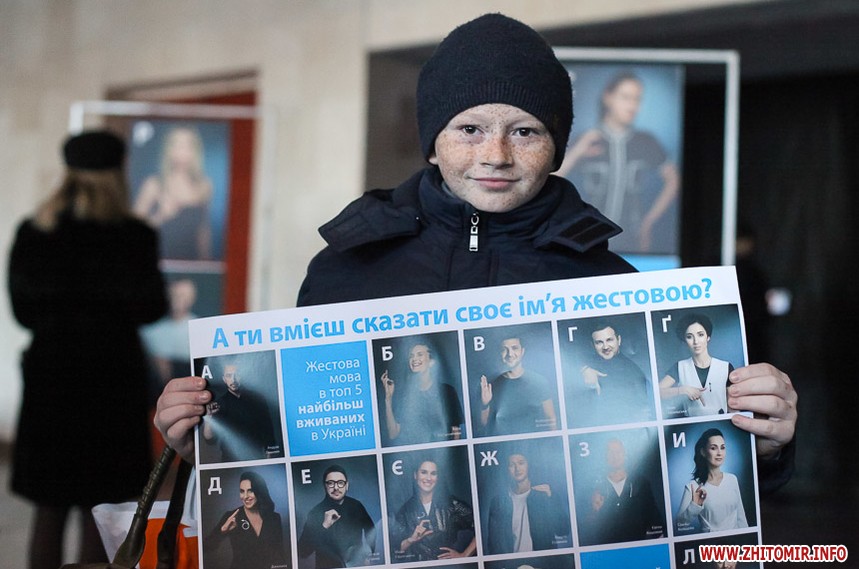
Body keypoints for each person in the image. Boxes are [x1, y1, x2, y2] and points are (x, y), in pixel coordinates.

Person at [155, 12, 797, 494]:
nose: (496, 155)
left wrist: (764, 446)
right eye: (469, 129)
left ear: (557, 145)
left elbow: (663, 460)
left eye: (525, 131)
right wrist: (212, 446)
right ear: (432, 140)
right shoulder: (345, 269)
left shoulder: (611, 287)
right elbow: (308, 444)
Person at [7, 129, 168, 569]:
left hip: (51, 380)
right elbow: (153, 307)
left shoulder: (35, 232)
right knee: (101, 511)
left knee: (49, 510)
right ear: (118, 174)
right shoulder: (134, 236)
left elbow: (23, 312)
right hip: (111, 383)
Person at [557, 70, 680, 253]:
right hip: (585, 241)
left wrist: (648, 222)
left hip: (632, 239)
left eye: (637, 99)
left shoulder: (646, 142)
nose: (632, 106)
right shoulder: (586, 140)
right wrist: (578, 152)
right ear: (608, 97)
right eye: (626, 97)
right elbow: (551, 180)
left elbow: (673, 180)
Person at [133, 125, 214, 260]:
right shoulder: (154, 184)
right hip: (158, 261)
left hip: (191, 263)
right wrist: (161, 216)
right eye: (177, 145)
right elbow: (132, 232)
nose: (183, 152)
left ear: (195, 151)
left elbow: (203, 230)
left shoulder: (204, 186)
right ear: (168, 150)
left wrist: (206, 262)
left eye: (188, 146)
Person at [580, 438, 664, 546]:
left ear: (625, 454)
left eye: (618, 451)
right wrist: (594, 511)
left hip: (637, 550)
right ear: (604, 456)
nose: (614, 456)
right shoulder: (593, 488)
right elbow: (584, 528)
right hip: (606, 551)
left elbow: (655, 522)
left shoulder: (641, 483)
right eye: (610, 452)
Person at [379, 341, 464, 445]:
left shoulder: (447, 391)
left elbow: (456, 433)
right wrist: (388, 399)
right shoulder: (404, 395)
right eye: (411, 356)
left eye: (420, 354)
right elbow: (393, 433)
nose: (414, 359)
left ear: (431, 362)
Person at [392, 460, 476, 562]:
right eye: (424, 472)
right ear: (415, 475)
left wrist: (464, 555)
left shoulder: (452, 505)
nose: (428, 478)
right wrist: (411, 540)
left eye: (433, 473)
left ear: (438, 478)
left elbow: (481, 527)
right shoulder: (406, 510)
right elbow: (396, 551)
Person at [486, 452, 569, 554]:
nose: (517, 469)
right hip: (512, 561)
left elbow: (563, 530)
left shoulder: (544, 494)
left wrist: (551, 499)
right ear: (507, 469)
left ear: (528, 465)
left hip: (543, 560)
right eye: (512, 465)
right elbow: (493, 543)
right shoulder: (498, 502)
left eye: (521, 463)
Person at [298, 465, 377, 568]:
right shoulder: (315, 513)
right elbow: (303, 552)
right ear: (325, 486)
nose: (336, 487)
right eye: (331, 483)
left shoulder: (356, 506)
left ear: (346, 485)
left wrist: (369, 555)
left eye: (340, 483)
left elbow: (371, 530)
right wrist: (324, 526)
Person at [202, 360, 281, 462]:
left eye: (237, 375)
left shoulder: (257, 399)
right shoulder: (218, 404)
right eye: (229, 376)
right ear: (224, 379)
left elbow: (268, 430)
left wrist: (270, 459)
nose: (233, 380)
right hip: (230, 460)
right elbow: (210, 440)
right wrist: (209, 417)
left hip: (256, 457)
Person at [577, 321, 653, 424]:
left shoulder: (633, 372)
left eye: (609, 340)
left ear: (619, 340)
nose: (605, 347)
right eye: (599, 342)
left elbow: (640, 411)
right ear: (592, 345)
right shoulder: (585, 362)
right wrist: (584, 370)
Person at [207, 471, 288, 569]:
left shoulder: (274, 518)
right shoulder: (231, 516)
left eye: (250, 491)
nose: (245, 496)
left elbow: (280, 556)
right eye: (242, 491)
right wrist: (223, 530)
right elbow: (207, 547)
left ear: (259, 491)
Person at [479, 336, 557, 435]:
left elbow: (550, 419)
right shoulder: (490, 385)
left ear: (522, 351)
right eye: (504, 349)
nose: (510, 354)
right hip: (504, 442)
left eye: (514, 348)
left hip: (534, 442)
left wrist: (553, 440)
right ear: (499, 353)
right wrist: (484, 404)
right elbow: (484, 424)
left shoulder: (539, 382)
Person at [659, 314, 733, 418]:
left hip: (721, 422)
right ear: (685, 341)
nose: (696, 341)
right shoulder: (680, 367)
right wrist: (683, 390)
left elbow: (734, 405)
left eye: (700, 335)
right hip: (691, 424)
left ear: (708, 337)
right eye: (689, 337)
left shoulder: (725, 367)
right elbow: (658, 393)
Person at [676, 428, 749, 533]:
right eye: (713, 448)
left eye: (722, 448)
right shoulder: (693, 486)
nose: (719, 453)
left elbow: (741, 517)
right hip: (710, 542)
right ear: (703, 452)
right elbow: (678, 524)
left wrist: (747, 539)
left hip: (736, 541)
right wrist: (695, 505)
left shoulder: (732, 479)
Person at [141, 277, 198, 386]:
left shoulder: (200, 330)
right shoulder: (151, 331)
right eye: (174, 295)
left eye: (182, 296)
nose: (177, 300)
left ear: (191, 299)